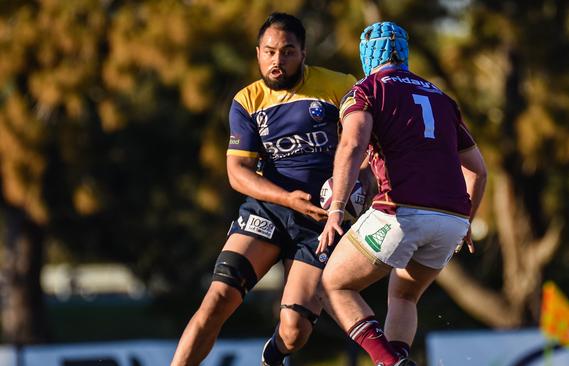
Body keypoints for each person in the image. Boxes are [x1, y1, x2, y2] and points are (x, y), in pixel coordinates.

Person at [171, 13, 356, 366]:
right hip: (268, 210)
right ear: (258, 53)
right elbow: (237, 172)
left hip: (320, 222)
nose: (277, 60)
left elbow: (363, 144)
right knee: (218, 298)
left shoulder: (339, 86)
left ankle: (274, 354)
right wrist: (286, 198)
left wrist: (352, 191)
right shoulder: (247, 101)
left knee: (294, 330)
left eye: (287, 52)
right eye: (269, 52)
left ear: (304, 53)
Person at [317, 21, 488, 366]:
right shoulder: (440, 97)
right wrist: (467, 221)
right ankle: (400, 359)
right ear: (405, 52)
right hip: (452, 219)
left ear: (366, 53)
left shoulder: (367, 89)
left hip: (401, 212)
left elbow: (352, 143)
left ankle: (389, 361)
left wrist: (336, 209)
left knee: (333, 286)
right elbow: (478, 170)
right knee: (404, 296)